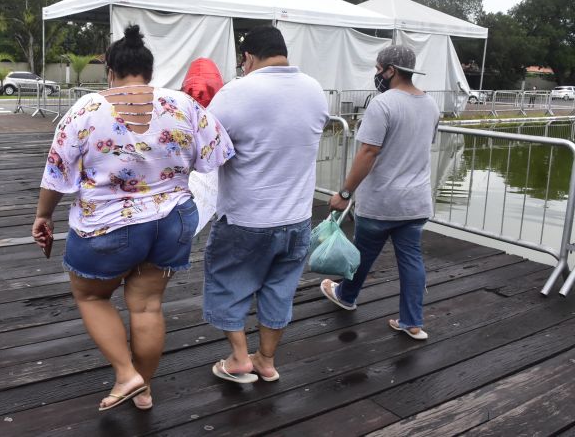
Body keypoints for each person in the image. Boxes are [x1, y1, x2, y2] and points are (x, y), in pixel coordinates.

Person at [32, 25, 234, 411]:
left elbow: (57, 172)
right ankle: (143, 390)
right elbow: (216, 156)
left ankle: (126, 374)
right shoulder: (183, 105)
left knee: (91, 295)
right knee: (146, 306)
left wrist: (43, 215)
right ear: (150, 71)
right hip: (174, 220)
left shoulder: (86, 109)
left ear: (110, 70)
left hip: (107, 226)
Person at [203, 25, 329, 383]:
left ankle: (240, 358)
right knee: (279, 291)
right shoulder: (315, 90)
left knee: (228, 283)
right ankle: (267, 360)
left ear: (248, 57)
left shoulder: (236, 92)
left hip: (246, 217)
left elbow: (208, 150)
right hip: (297, 219)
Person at [322, 44, 439, 341]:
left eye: (378, 69)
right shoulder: (431, 104)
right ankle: (412, 322)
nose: (376, 74)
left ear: (391, 70)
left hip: (382, 200)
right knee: (411, 260)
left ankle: (347, 295)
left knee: (362, 252)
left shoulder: (383, 104)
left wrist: (345, 193)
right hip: (416, 202)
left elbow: (369, 151)